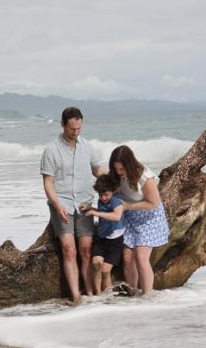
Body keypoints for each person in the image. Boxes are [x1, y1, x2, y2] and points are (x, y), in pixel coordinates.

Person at [40, 106, 104, 303]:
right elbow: (47, 181)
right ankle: (76, 296)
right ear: (62, 125)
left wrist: (115, 183)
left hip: (85, 203)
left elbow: (97, 169)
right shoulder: (51, 149)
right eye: (71, 129)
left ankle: (91, 294)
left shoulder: (87, 146)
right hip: (63, 204)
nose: (75, 133)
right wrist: (56, 203)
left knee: (86, 249)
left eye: (79, 129)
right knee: (69, 249)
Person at [109, 145, 169, 295]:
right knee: (127, 257)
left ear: (129, 165)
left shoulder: (144, 177)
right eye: (116, 169)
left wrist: (128, 206)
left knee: (141, 256)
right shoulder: (116, 175)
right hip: (129, 216)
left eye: (122, 169)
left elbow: (153, 203)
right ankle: (133, 294)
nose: (119, 172)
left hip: (149, 217)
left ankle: (148, 296)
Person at [80, 174, 125, 294]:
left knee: (105, 271)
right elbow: (103, 211)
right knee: (96, 264)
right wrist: (90, 208)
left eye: (106, 194)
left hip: (115, 242)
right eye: (100, 195)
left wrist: (96, 214)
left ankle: (109, 296)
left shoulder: (116, 201)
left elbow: (116, 216)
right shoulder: (101, 200)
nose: (103, 198)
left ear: (113, 191)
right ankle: (98, 294)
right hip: (101, 238)